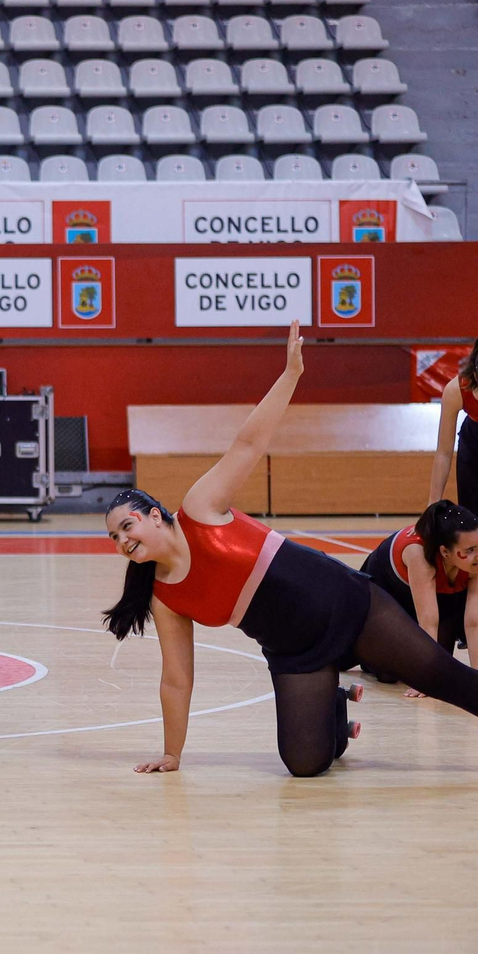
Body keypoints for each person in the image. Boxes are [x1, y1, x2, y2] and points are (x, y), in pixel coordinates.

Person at [103, 321, 478, 778]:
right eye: (116, 538)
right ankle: (334, 711)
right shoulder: (165, 597)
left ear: (154, 514)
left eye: (128, 526)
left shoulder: (200, 509)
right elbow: (176, 679)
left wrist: (290, 374)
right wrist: (173, 754)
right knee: (305, 763)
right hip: (292, 649)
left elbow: (249, 442)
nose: (124, 541)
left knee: (445, 679)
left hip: (346, 604)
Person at [359, 501, 478, 696]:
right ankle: (362, 651)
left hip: (432, 590)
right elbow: (428, 620)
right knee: (390, 674)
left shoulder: (471, 559)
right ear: (445, 552)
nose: (477, 554)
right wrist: (425, 681)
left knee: (444, 663)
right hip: (384, 593)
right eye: (470, 551)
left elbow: (474, 622)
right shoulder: (419, 554)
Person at [429, 338, 478, 512]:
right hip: (473, 446)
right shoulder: (456, 390)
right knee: (473, 523)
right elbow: (443, 453)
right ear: (474, 374)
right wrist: (432, 505)